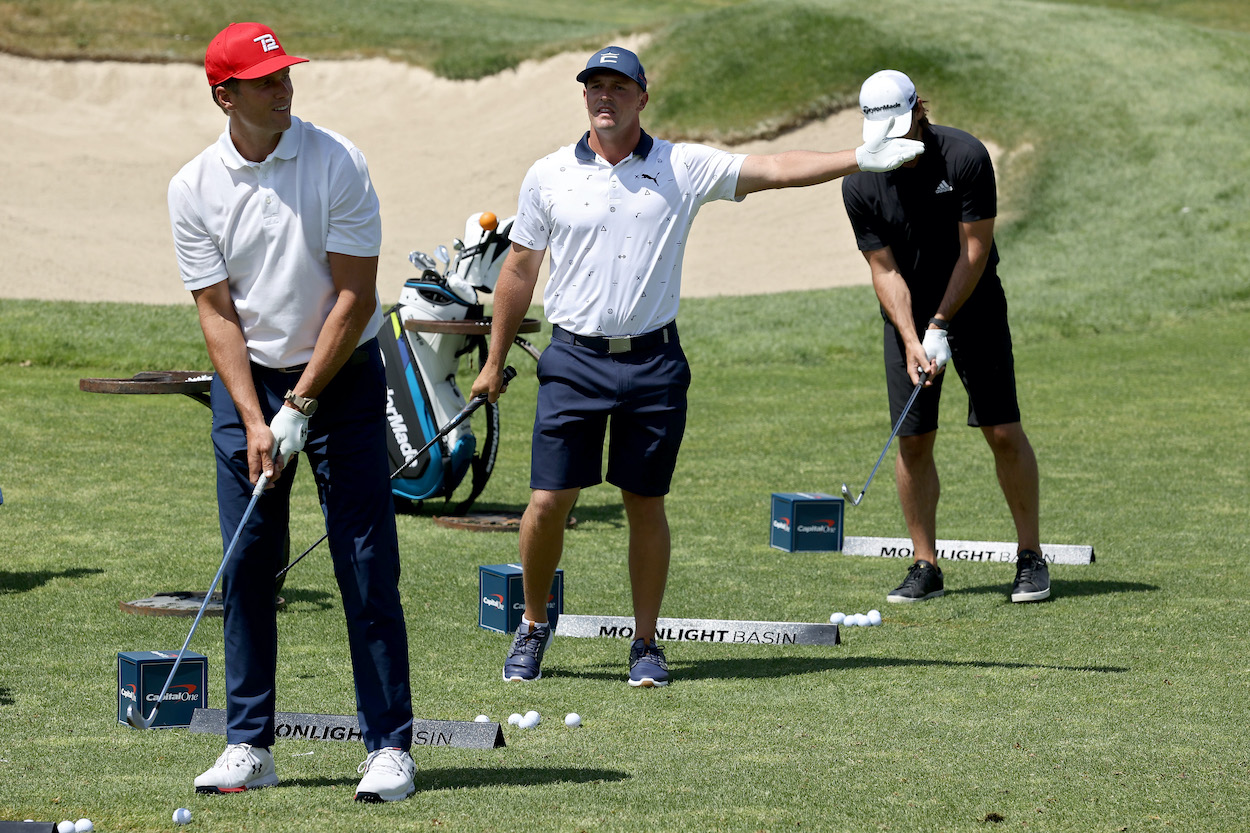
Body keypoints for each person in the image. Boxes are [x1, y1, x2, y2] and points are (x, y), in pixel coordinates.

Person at [471, 46, 924, 687]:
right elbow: (519, 271)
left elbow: (772, 168)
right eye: (594, 88)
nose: (605, 98)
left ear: (641, 97)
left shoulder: (680, 165)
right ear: (584, 97)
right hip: (572, 360)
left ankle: (646, 643)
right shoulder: (547, 175)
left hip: (653, 361)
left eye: (618, 88)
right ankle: (535, 625)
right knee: (547, 501)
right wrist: (493, 361)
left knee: (645, 502)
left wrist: (858, 158)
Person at [168, 22, 416, 801]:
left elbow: (357, 296)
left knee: (364, 561)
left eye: (285, 76)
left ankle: (389, 746)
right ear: (224, 95)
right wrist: (252, 415)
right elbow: (216, 312)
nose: (285, 90)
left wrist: (302, 403)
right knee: (249, 562)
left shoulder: (336, 160)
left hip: (339, 378)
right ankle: (250, 744)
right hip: (250, 386)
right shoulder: (192, 187)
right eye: (266, 81)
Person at [840, 69, 1051, 605]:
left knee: (1002, 430)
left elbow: (974, 251)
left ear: (917, 112)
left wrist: (941, 325)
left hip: (974, 306)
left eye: (898, 128)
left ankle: (1031, 557)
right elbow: (884, 270)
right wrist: (913, 337)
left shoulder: (964, 156)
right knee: (912, 441)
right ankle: (925, 564)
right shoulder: (860, 181)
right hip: (908, 321)